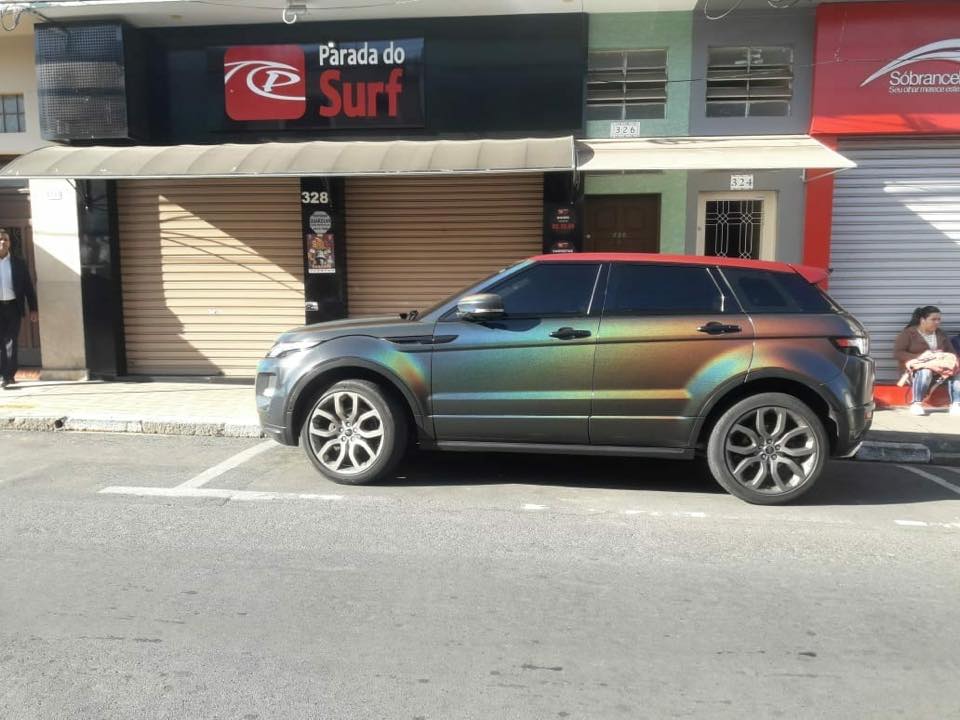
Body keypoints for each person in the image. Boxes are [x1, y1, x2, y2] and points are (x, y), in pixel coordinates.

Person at [893, 305, 960, 416]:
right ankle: (916, 404)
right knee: (925, 371)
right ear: (922, 320)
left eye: (939, 319)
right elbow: (898, 353)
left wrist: (943, 356)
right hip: (916, 369)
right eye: (933, 319)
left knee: (957, 370)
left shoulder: (941, 333)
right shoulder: (908, 333)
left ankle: (956, 404)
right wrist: (920, 356)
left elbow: (952, 352)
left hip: (939, 367)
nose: (937, 322)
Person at [0, 229, 38, 389]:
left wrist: (33, 309)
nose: (3, 242)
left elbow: (28, 287)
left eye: (5, 239)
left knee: (11, 341)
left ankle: (8, 375)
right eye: (0, 239)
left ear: (9, 243)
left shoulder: (18, 263)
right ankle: (4, 374)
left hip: (13, 307)